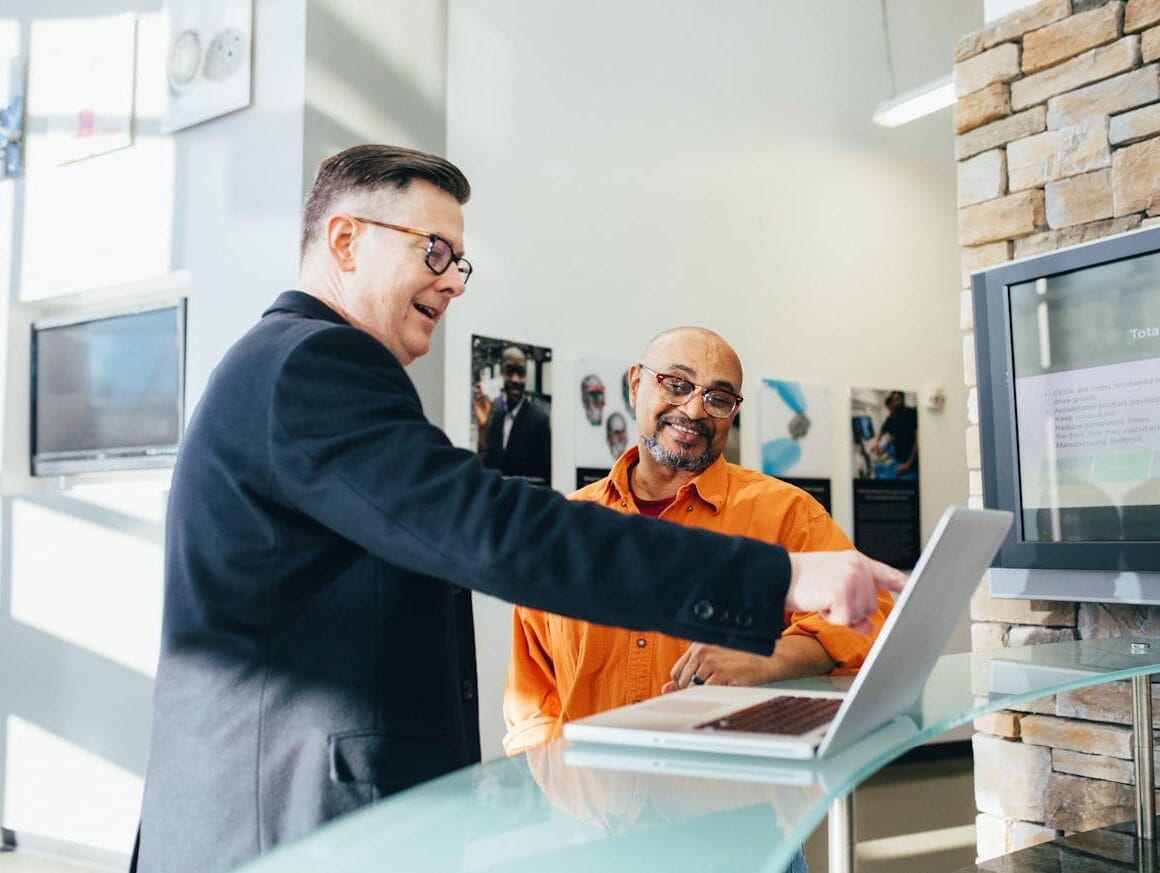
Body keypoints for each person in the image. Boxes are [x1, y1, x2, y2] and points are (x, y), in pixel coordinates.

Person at [133, 145, 905, 873]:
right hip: (286, 825)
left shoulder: (292, 366)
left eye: (459, 261)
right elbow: (493, 529)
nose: (454, 282)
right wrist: (779, 579)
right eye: (434, 250)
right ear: (344, 240)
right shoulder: (313, 363)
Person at [504, 328, 894, 756]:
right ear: (635, 385)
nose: (693, 410)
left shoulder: (787, 513)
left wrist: (767, 658)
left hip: (728, 786)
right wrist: (554, 780)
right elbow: (533, 700)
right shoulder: (566, 528)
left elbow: (869, 620)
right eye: (676, 384)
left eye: (718, 398)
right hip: (591, 790)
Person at [472, 345, 552, 485]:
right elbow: (487, 468)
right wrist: (483, 429)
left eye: (520, 373)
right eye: (509, 371)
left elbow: (545, 479)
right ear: (502, 374)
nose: (515, 379)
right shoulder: (497, 417)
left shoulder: (539, 421)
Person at [872, 389, 918, 478]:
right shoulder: (892, 418)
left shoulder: (912, 413)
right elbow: (884, 431)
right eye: (894, 400)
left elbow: (918, 441)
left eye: (898, 399)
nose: (896, 404)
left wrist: (908, 464)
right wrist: (877, 443)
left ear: (903, 399)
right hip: (900, 459)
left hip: (913, 460)